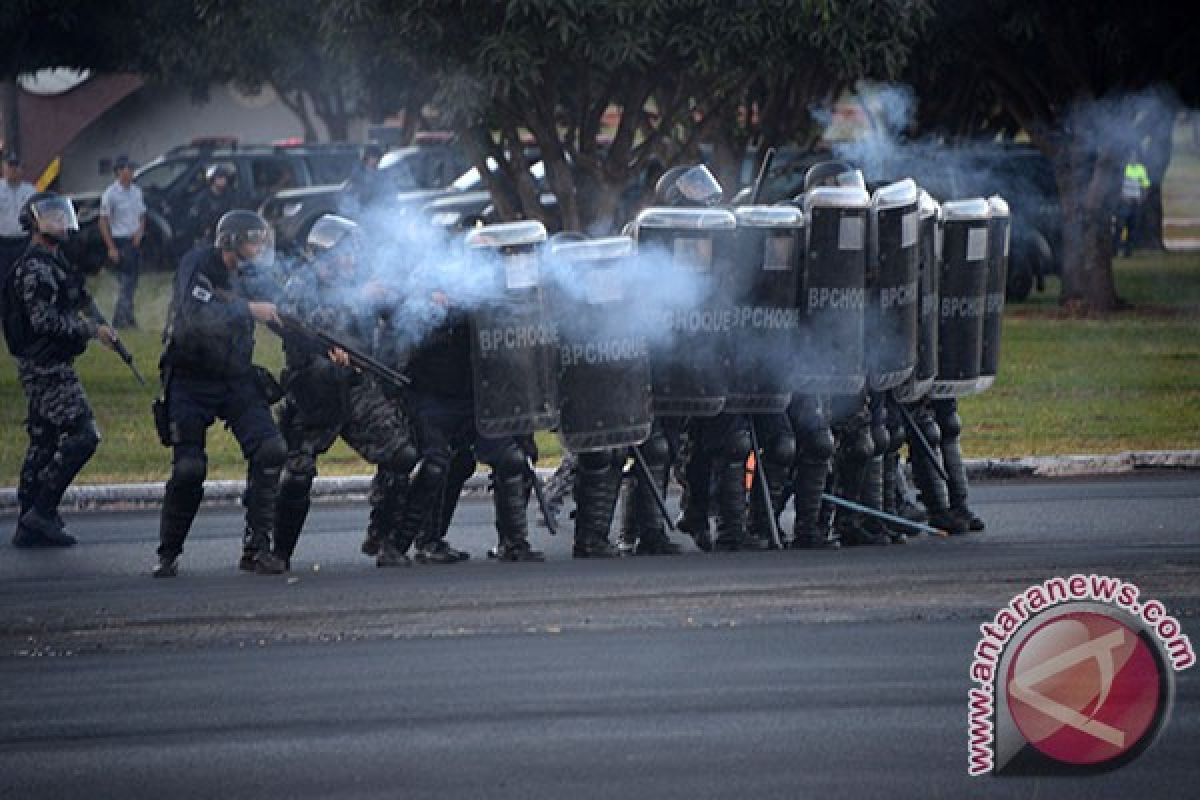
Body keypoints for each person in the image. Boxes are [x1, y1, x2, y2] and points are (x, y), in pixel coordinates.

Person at [269, 215, 419, 569]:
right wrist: (355, 301)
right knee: (299, 471)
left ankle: (383, 537)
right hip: (313, 391)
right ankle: (278, 552)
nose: (352, 259)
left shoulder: (361, 282)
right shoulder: (299, 286)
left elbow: (396, 310)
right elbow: (296, 326)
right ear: (324, 255)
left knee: (402, 455)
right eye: (344, 253)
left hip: (354, 386)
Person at [151, 210, 289, 577]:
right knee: (189, 468)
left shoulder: (252, 276)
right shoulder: (198, 264)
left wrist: (324, 348)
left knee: (271, 448)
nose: (258, 247)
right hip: (191, 379)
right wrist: (245, 309)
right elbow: (196, 314)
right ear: (230, 241)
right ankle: (168, 552)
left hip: (235, 378)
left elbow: (280, 316)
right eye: (251, 240)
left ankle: (257, 548)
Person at [1, 193, 118, 547]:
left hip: (49, 363)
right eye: (51, 217)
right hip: (46, 367)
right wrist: (90, 331)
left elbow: (77, 297)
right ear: (34, 224)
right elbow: (44, 321)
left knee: (44, 441)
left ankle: (29, 521)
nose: (60, 223)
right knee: (84, 435)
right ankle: (42, 509)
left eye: (60, 216)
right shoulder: (35, 267)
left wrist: (98, 322)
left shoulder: (54, 262)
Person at [98, 155, 146, 329]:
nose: (132, 172)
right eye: (129, 169)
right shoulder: (110, 194)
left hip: (134, 241)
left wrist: (140, 233)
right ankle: (122, 319)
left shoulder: (137, 192)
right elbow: (103, 222)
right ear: (119, 171)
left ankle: (126, 317)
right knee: (125, 282)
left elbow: (142, 216)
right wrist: (111, 247)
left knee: (132, 282)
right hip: (119, 241)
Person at [0, 152, 37, 281]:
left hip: (24, 242)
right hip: (3, 244)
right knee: (3, 279)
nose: (13, 170)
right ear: (3, 168)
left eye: (16, 166)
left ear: (21, 169)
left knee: (24, 277)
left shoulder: (30, 191)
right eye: (10, 166)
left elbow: (37, 216)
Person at [186, 164, 237, 249]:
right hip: (207, 236)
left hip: (225, 233)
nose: (223, 180)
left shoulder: (230, 195)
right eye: (220, 178)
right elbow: (194, 219)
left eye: (225, 178)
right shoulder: (202, 198)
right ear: (212, 180)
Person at [1114, 152, 1150, 258]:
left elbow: (1145, 185)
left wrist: (1142, 199)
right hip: (1124, 203)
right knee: (1119, 227)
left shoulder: (1141, 169)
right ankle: (1114, 250)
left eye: (1135, 157)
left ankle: (1128, 252)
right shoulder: (1123, 168)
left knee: (1132, 228)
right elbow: (1117, 186)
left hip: (1135, 203)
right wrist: (1122, 197)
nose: (1133, 159)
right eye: (1131, 157)